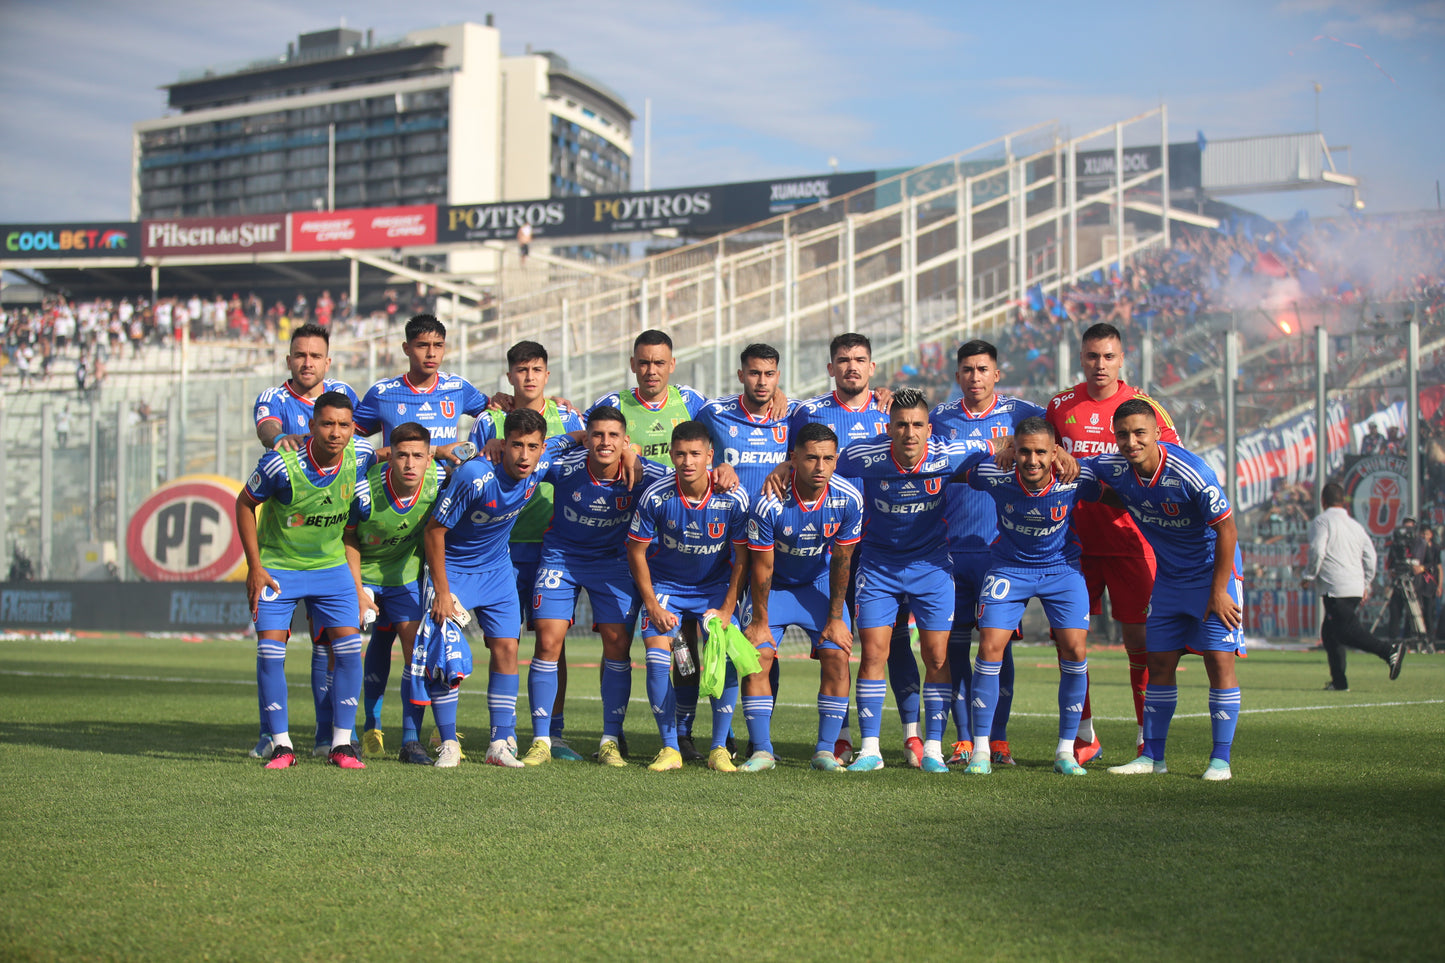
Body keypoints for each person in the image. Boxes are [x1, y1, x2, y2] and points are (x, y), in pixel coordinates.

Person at [829, 387, 992, 772]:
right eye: (901, 425)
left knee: (937, 656)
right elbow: (821, 465)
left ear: (928, 428)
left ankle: (933, 748)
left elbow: (1000, 442)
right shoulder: (864, 455)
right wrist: (787, 466)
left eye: (917, 424)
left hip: (932, 567)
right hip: (879, 567)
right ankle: (871, 749)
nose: (909, 433)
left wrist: (1047, 452)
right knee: (873, 654)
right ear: (889, 428)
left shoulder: (947, 453)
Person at [789, 333, 925, 767]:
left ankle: (911, 736)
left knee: (896, 642)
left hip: (884, 550)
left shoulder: (891, 412)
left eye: (860, 360)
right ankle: (842, 737)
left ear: (872, 367)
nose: (851, 366)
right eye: (843, 360)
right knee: (838, 642)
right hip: (830, 552)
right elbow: (790, 457)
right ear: (831, 367)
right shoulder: (811, 412)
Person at [1047, 322, 1179, 763]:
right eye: (1091, 356)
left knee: (1140, 644)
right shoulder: (1061, 407)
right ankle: (1084, 737)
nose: (1099, 365)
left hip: (1130, 541)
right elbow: (1038, 450)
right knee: (1070, 643)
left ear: (1122, 358)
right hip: (1072, 544)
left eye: (1108, 357)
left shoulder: (1144, 408)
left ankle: (1147, 738)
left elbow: (1171, 464)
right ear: (1080, 358)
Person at [1100, 399, 1243, 782]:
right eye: (1123, 434)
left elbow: (1227, 528)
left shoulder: (1190, 471)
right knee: (1159, 663)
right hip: (1169, 580)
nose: (1131, 441)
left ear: (1157, 434)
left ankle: (1220, 761)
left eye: (1139, 432)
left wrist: (1219, 592)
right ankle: (1153, 757)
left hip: (1215, 576)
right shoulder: (1116, 469)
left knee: (1218, 662)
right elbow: (1071, 464)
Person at [423, 408, 573, 768]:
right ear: (503, 444)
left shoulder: (541, 463)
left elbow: (576, 438)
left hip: (497, 571)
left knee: (507, 647)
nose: (524, 455)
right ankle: (448, 743)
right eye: (517, 445)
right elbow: (434, 531)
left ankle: (499, 743)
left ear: (541, 448)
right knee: (449, 657)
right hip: (454, 570)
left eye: (532, 447)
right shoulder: (475, 475)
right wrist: (442, 590)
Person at [234, 391, 375, 770]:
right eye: (327, 424)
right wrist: (255, 566)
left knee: (348, 653)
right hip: (278, 570)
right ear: (311, 426)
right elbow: (244, 503)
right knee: (270, 654)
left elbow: (390, 456)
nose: (336, 433)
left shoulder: (361, 456)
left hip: (331, 570)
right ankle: (280, 745)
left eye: (344, 425)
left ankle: (341, 745)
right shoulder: (281, 464)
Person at [523, 406, 670, 766]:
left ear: (625, 441)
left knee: (618, 643)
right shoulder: (567, 467)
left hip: (614, 562)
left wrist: (725, 472)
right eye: (597, 435)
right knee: (547, 639)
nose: (605, 442)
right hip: (562, 556)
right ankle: (543, 738)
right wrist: (572, 437)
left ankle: (609, 740)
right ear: (587, 438)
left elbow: (690, 476)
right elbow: (538, 453)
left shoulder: (645, 473)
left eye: (613, 436)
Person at [955, 417, 1098, 775]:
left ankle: (1066, 751)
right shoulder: (995, 474)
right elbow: (955, 470)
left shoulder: (1076, 476)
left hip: (1062, 570)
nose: (1032, 460)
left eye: (1040, 452)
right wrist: (998, 448)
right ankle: (983, 751)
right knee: (989, 647)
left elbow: (1113, 492)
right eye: (1024, 451)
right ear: (1013, 451)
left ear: (1055, 453)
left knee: (1075, 649)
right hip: (1009, 568)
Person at [929, 339, 1047, 767]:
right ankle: (963, 738)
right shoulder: (939, 418)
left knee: (999, 647)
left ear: (997, 374)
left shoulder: (1023, 415)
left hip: (1001, 552)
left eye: (983, 369)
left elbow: (1053, 451)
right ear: (957, 375)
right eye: (967, 369)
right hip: (951, 548)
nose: (975, 377)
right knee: (955, 648)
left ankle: (997, 738)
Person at [249, 323, 359, 759]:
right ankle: (272, 735)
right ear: (289, 360)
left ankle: (328, 737)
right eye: (300, 355)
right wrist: (280, 441)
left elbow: (365, 439)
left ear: (327, 362)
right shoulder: (272, 399)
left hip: (328, 546)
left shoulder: (342, 396)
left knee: (329, 646)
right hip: (285, 527)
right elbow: (268, 428)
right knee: (272, 650)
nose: (307, 362)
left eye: (316, 356)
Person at [470, 341, 585, 760]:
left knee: (553, 640)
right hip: (498, 547)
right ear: (509, 376)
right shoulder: (490, 420)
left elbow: (592, 442)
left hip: (552, 545)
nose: (530, 377)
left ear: (547, 374)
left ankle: (552, 733)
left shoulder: (567, 415)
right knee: (503, 642)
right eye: (521, 370)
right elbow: (467, 463)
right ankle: (499, 733)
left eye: (537, 369)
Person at [627, 421, 752, 772]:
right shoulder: (657, 495)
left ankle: (718, 749)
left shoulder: (732, 497)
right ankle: (670, 748)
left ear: (709, 456)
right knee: (658, 658)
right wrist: (652, 605)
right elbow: (636, 552)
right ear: (671, 454)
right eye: (680, 454)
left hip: (714, 589)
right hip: (668, 588)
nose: (687, 461)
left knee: (722, 653)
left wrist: (728, 608)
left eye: (695, 454)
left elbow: (743, 557)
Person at [742, 422, 863, 771]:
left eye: (827, 459)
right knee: (757, 656)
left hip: (819, 584)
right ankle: (762, 751)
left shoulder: (847, 499)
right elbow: (761, 568)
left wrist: (836, 619)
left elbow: (843, 561)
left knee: (837, 655)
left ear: (836, 460)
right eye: (811, 458)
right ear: (793, 458)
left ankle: (825, 750)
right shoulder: (769, 503)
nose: (820, 467)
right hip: (775, 586)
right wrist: (760, 623)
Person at [345, 421, 449, 765]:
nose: (409, 464)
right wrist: (358, 590)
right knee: (343, 647)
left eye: (418, 456)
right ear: (389, 457)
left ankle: (410, 741)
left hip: (404, 574)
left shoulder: (440, 481)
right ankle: (350, 734)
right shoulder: (363, 492)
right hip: (365, 573)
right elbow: (347, 538)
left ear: (428, 456)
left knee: (412, 648)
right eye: (402, 455)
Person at [1300, 482, 1406, 690]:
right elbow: (1371, 557)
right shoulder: (1356, 526)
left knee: (1347, 631)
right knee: (1330, 634)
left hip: (1336, 588)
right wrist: (1365, 582)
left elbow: (1318, 550)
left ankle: (1389, 651)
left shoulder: (1322, 521)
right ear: (1343, 502)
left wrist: (1309, 575)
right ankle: (1339, 682)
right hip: (1354, 586)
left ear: (1323, 501)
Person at [353, 314, 489, 461]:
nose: (431, 354)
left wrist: (494, 440)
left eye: (438, 345)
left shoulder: (458, 387)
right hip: (400, 482)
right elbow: (347, 432)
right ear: (406, 348)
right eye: (422, 345)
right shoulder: (382, 393)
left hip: (447, 482)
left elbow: (495, 413)